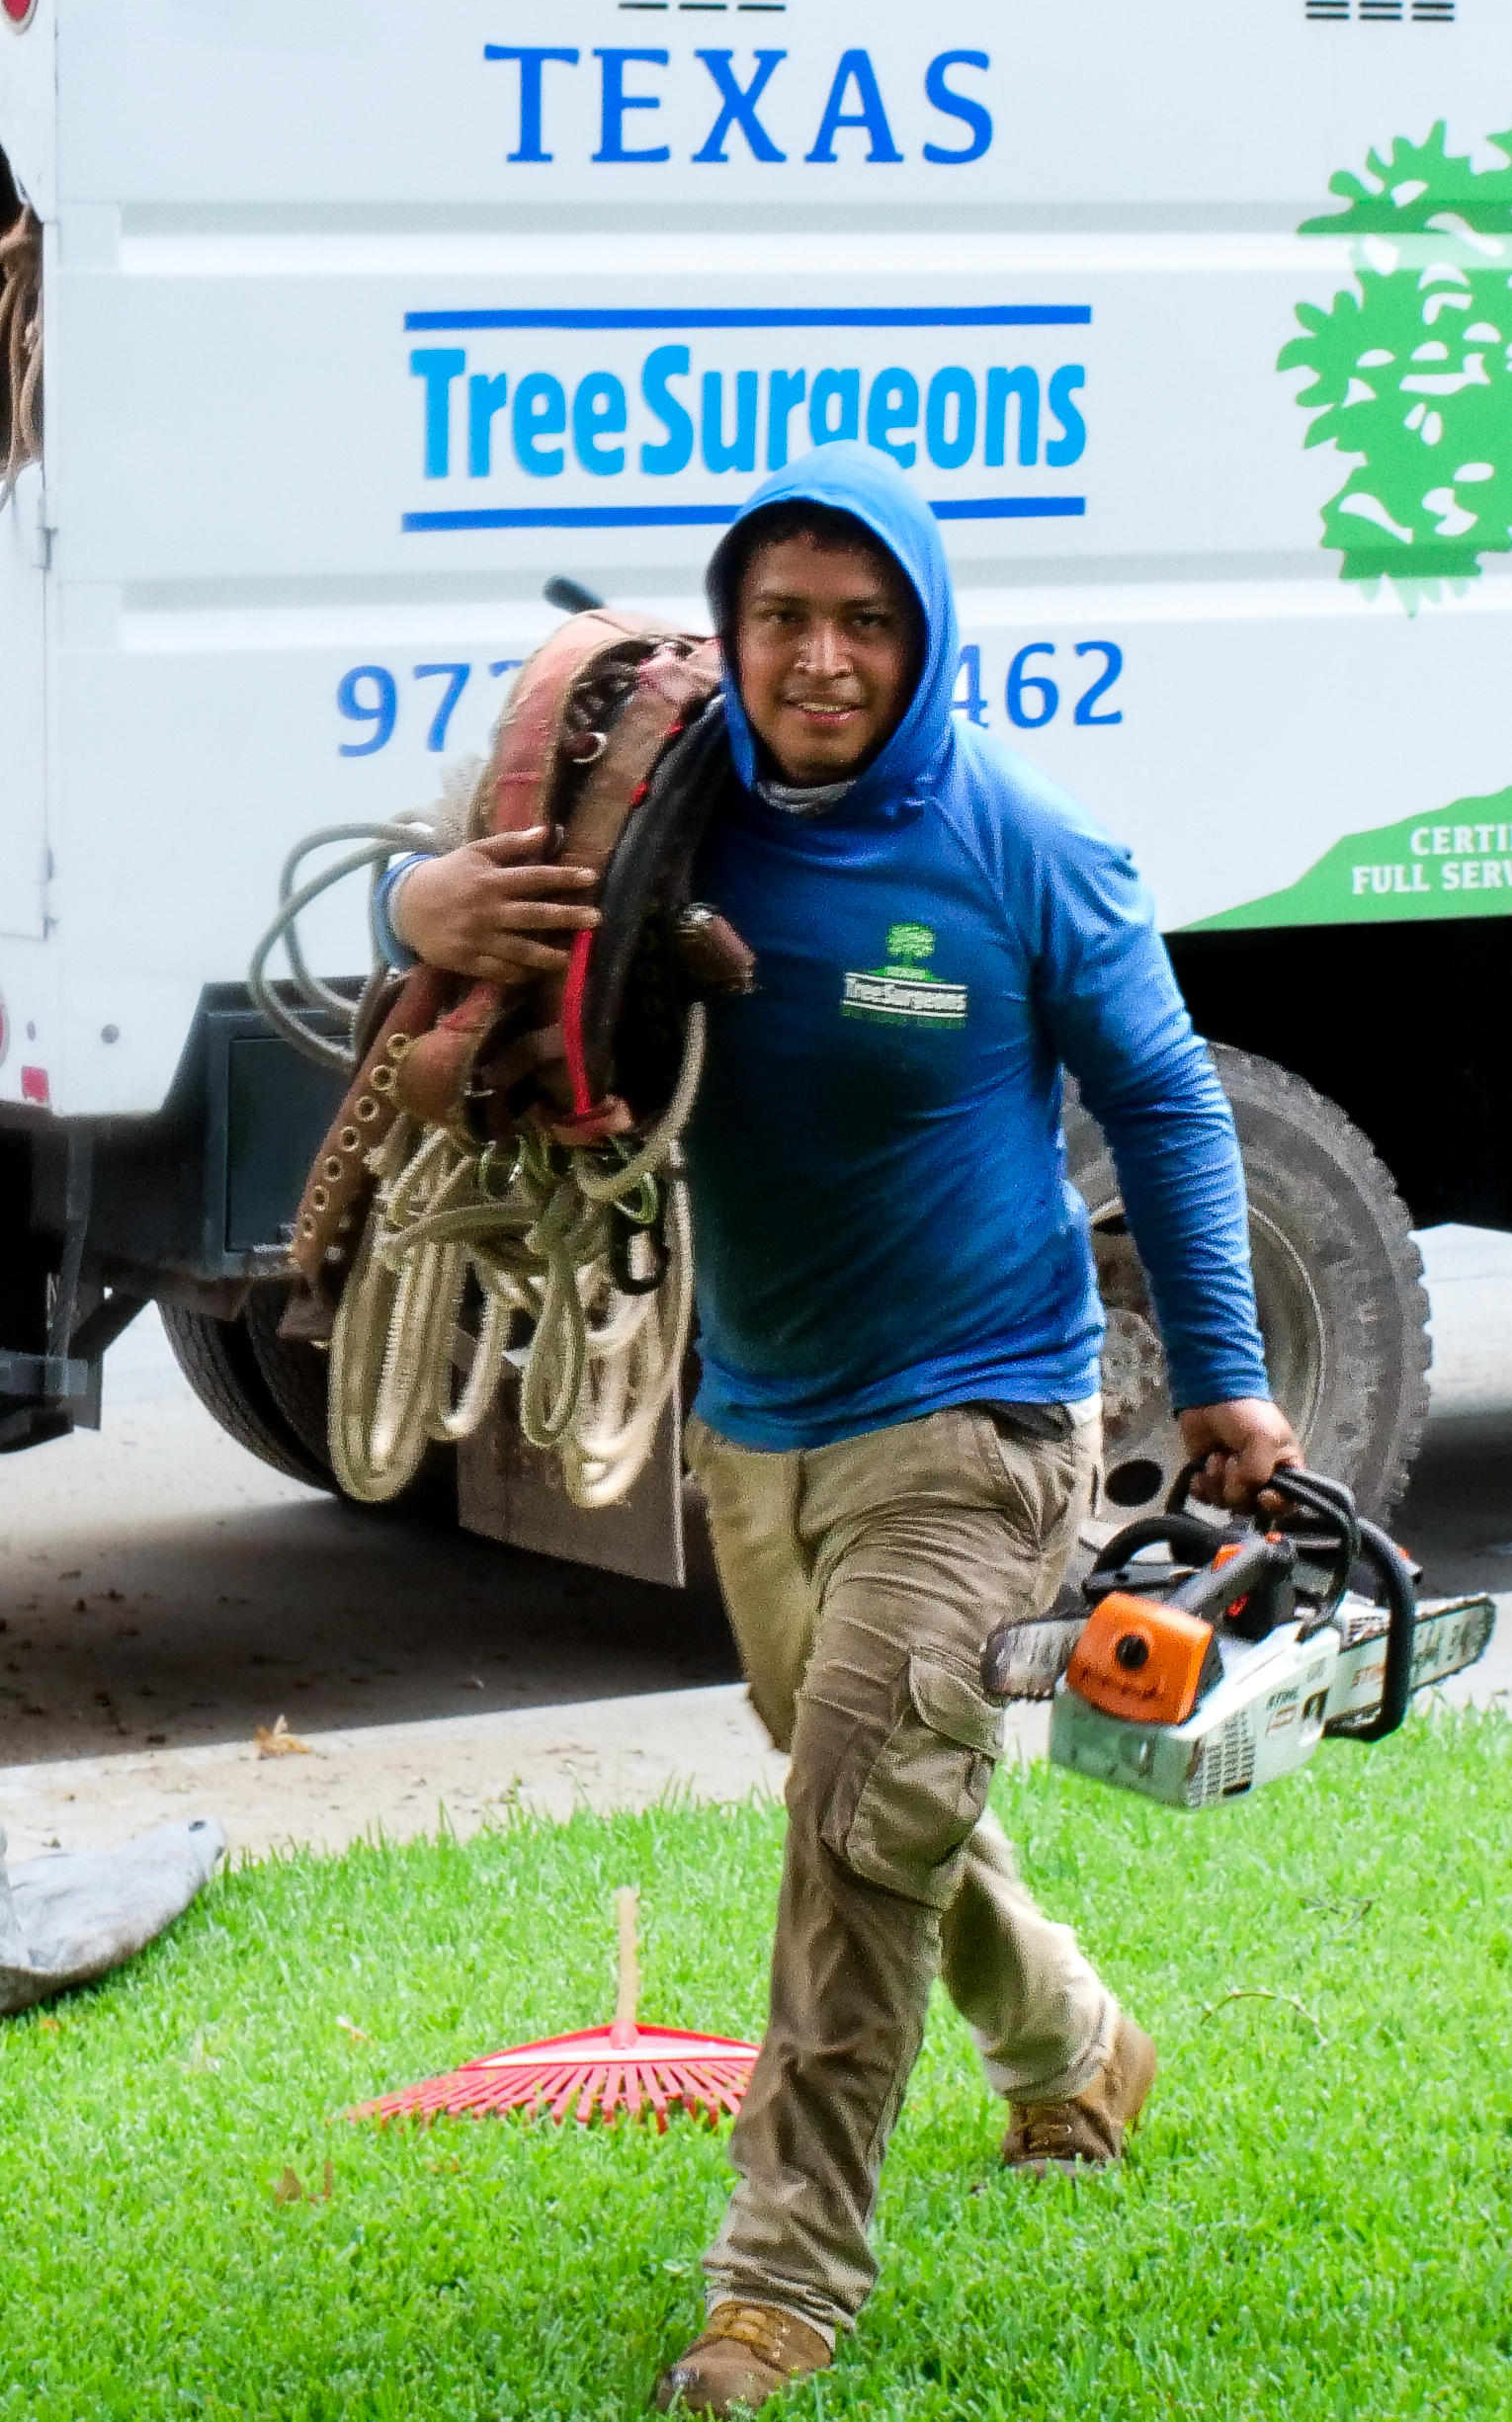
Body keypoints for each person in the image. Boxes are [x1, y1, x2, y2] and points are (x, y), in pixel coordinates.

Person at [387, 444, 1303, 2414]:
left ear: (924, 637)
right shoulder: (674, 809)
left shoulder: (1021, 843)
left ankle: (778, 2284)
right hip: (760, 1412)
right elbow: (449, 893)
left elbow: (1166, 1098)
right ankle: (1073, 2038)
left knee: (848, 1815)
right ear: (732, 630)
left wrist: (1221, 1371)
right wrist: (423, 893)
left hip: (978, 1409)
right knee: (866, 1780)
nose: (820, 658)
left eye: (863, 620)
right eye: (784, 618)